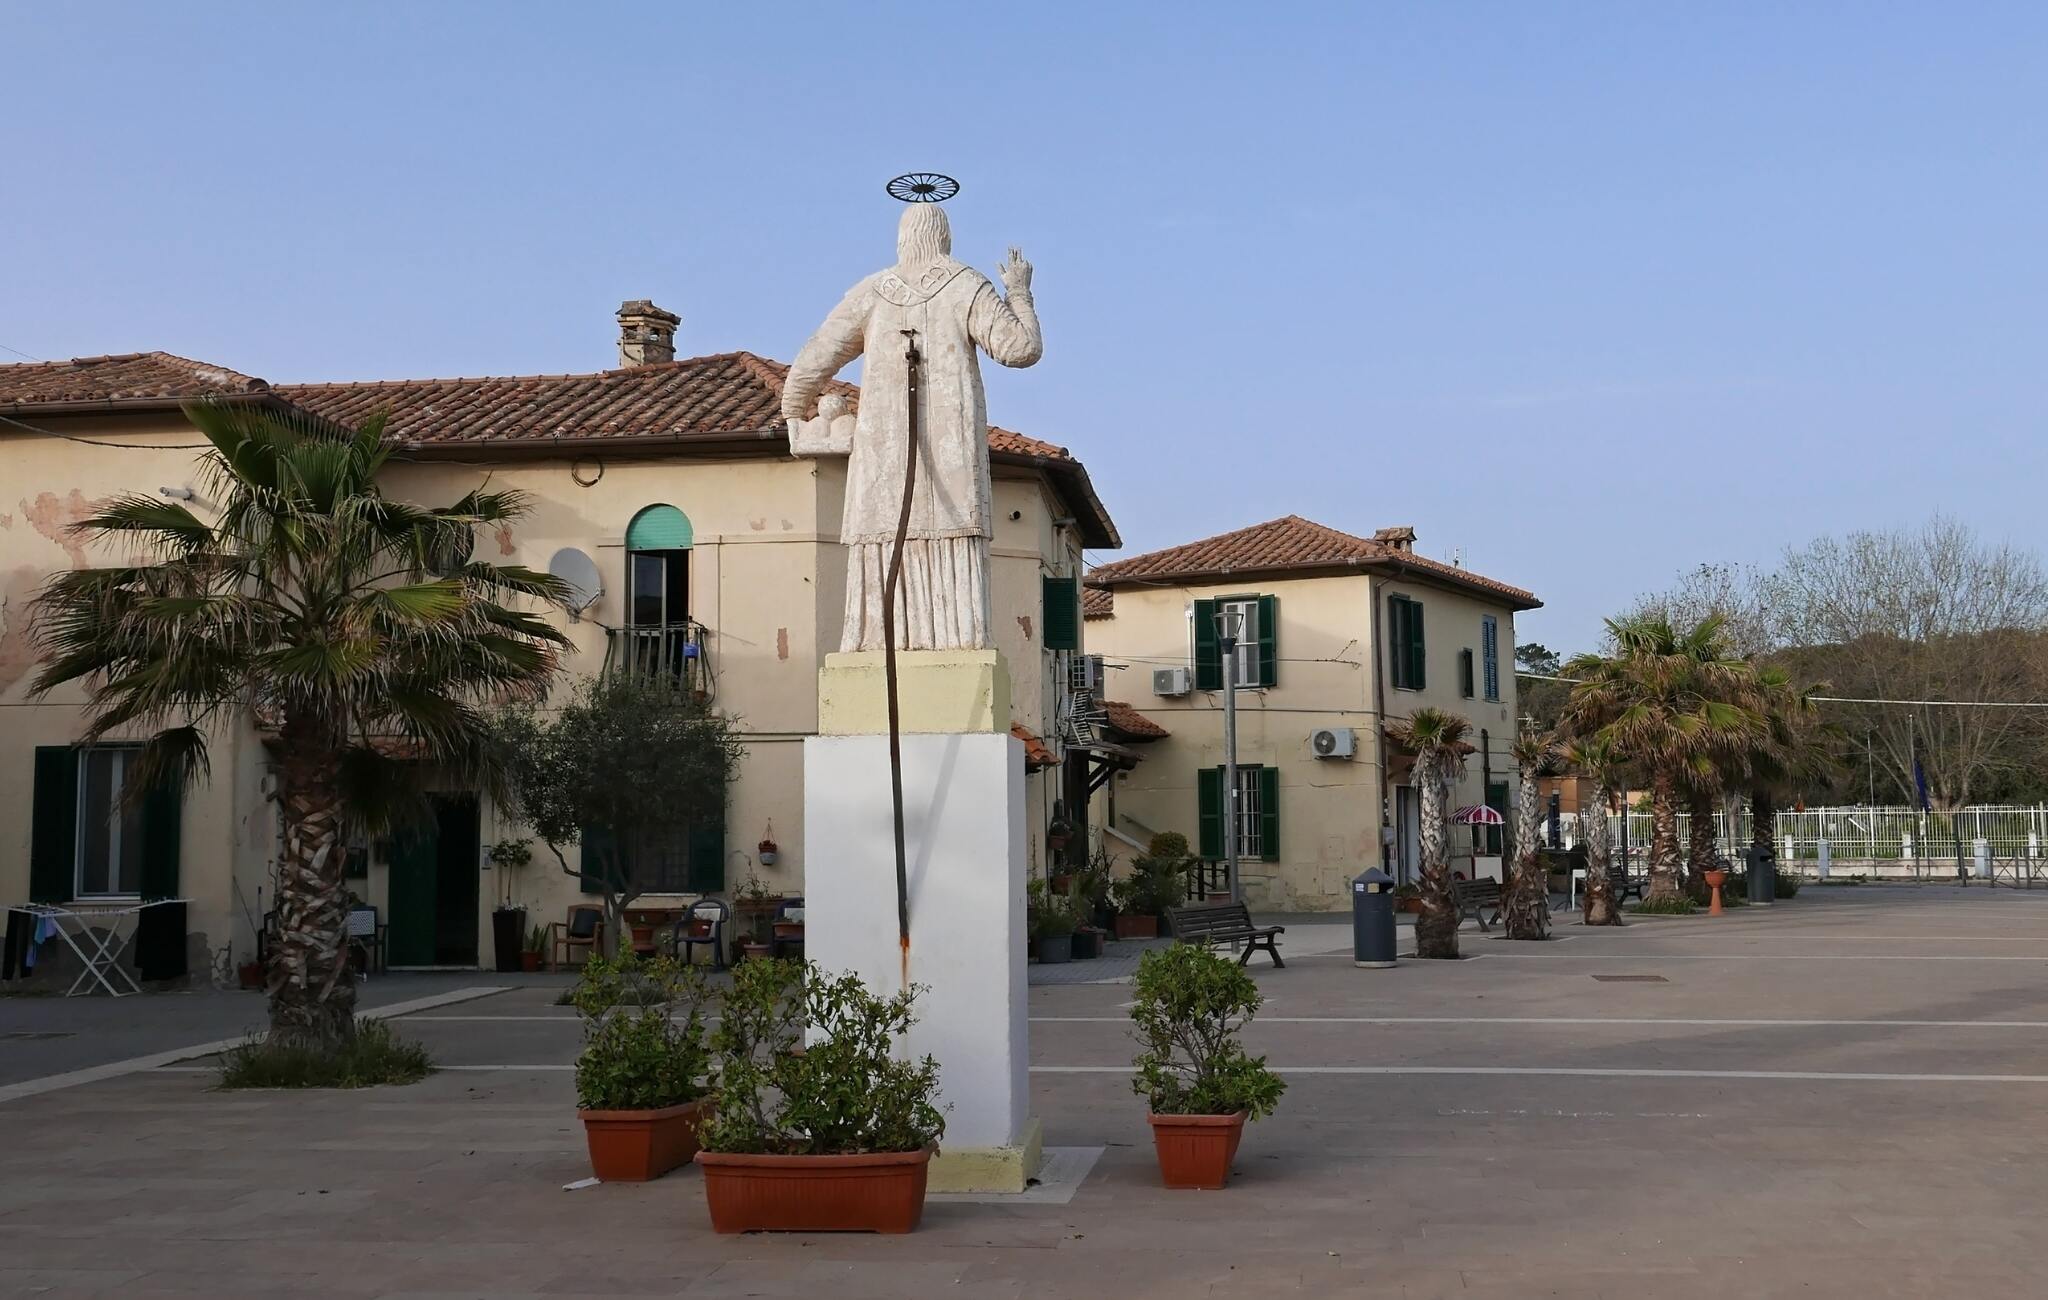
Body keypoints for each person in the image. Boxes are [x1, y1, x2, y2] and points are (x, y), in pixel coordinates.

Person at [781, 202, 1041, 652]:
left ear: (902, 240)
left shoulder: (871, 292)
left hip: (883, 456)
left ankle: (874, 643)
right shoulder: (966, 285)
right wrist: (1018, 292)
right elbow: (1021, 348)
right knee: (952, 536)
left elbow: (817, 354)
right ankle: (959, 642)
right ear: (945, 238)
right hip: (951, 452)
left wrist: (793, 409)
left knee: (882, 542)